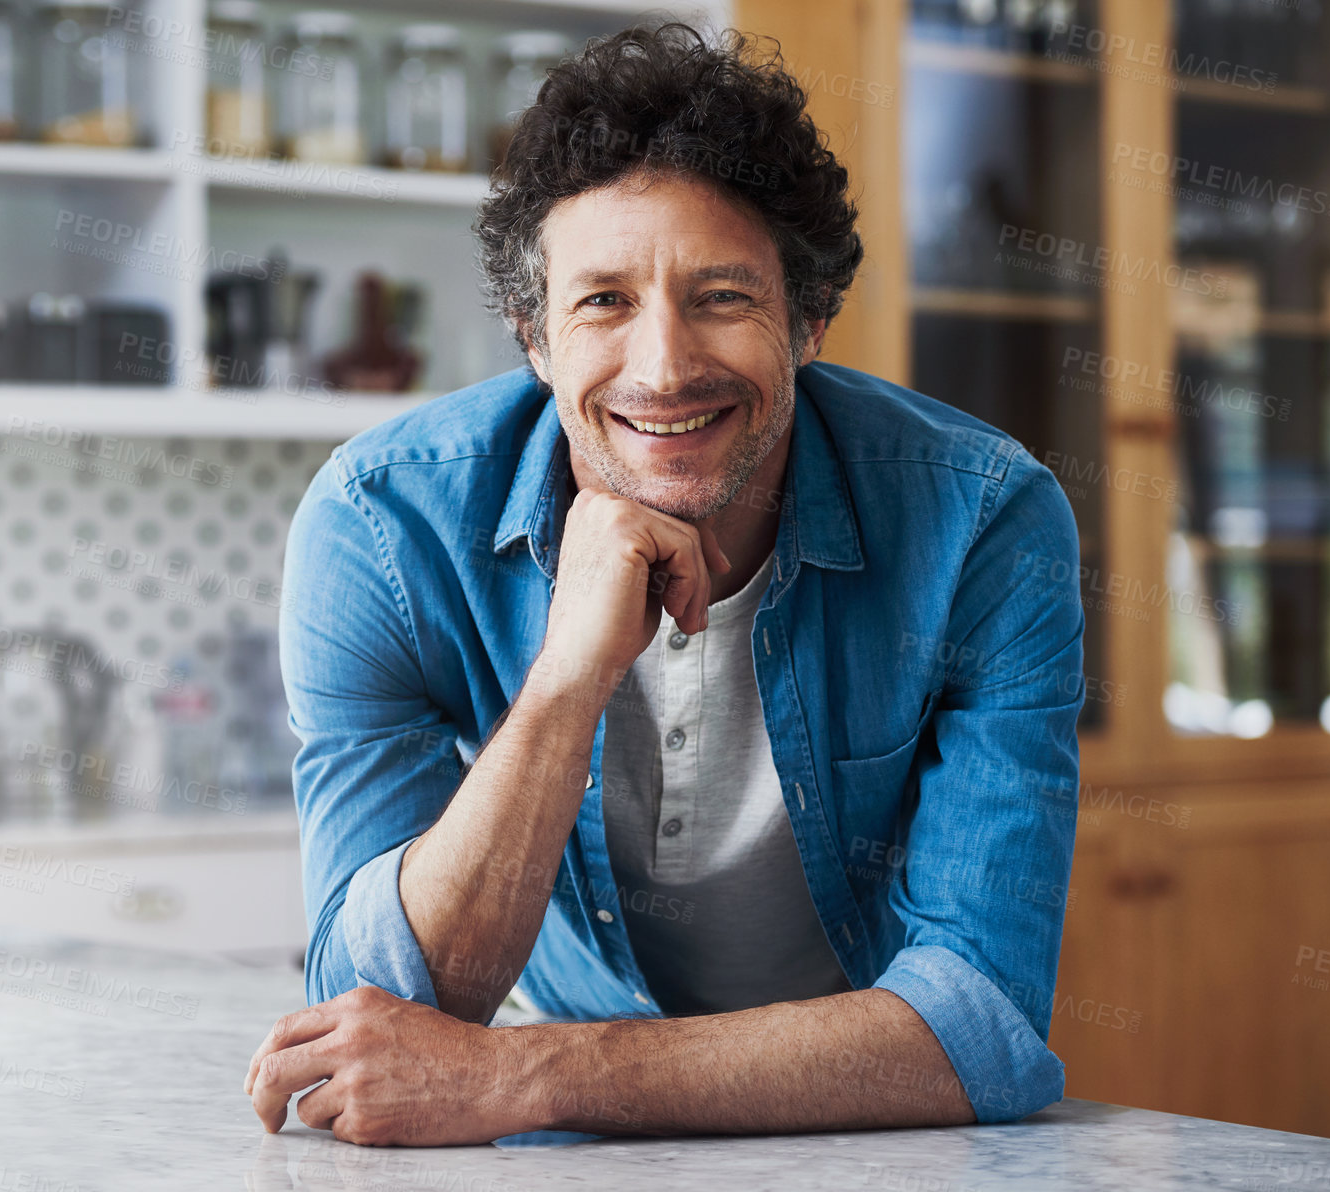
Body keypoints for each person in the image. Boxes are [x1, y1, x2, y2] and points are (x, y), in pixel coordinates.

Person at [244, 21, 1084, 1146]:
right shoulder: (382, 526)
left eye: (723, 296)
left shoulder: (985, 520)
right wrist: (567, 678)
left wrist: (533, 1076)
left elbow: (979, 1022)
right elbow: (383, 1007)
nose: (664, 367)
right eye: (602, 302)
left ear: (812, 316)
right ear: (532, 335)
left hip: (872, 1140)